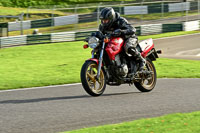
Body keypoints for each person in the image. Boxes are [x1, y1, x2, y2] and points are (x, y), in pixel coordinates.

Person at [97, 7, 146, 71]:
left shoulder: (120, 21)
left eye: (106, 20)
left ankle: (141, 60)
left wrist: (121, 32)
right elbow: (101, 34)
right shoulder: (102, 26)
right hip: (114, 41)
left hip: (129, 38)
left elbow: (132, 29)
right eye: (103, 20)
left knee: (128, 46)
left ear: (111, 18)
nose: (104, 22)